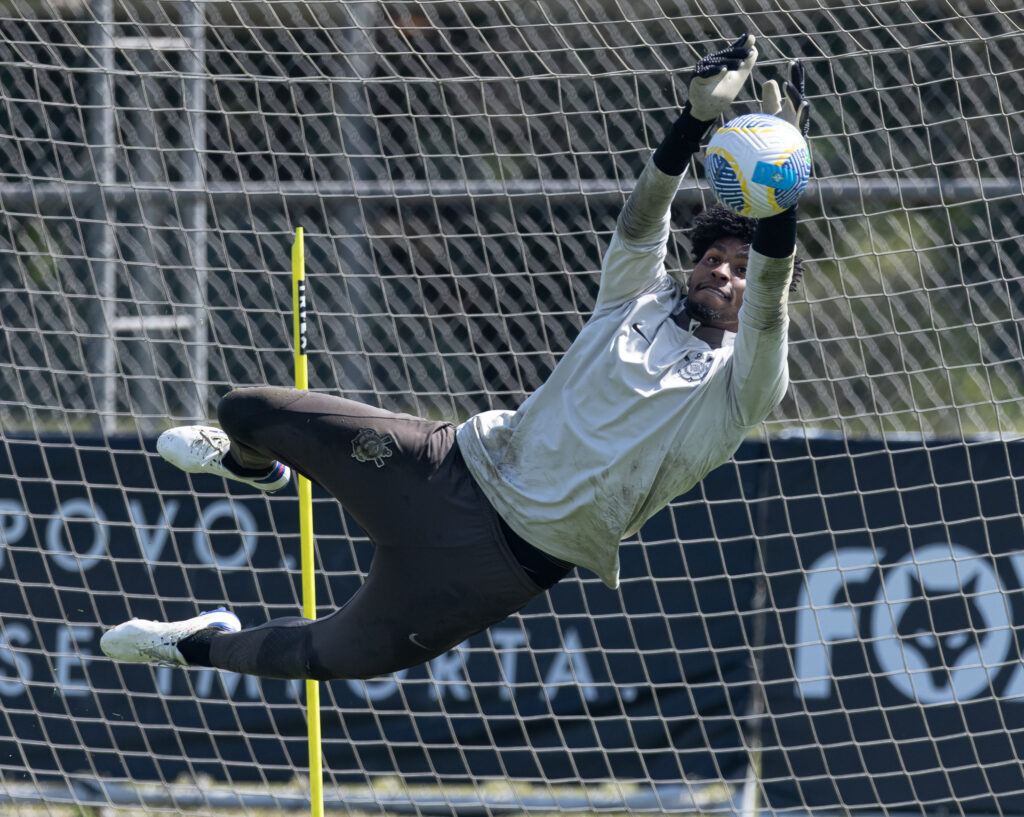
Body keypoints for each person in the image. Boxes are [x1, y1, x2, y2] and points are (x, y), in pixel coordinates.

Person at [101, 34, 809, 681]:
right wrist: (691, 121)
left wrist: (778, 181)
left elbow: (772, 295)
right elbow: (642, 219)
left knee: (336, 656)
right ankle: (255, 465)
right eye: (714, 257)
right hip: (451, 465)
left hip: (498, 565)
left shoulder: (741, 386)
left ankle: (191, 640)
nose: (722, 272)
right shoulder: (637, 298)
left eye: (740, 267)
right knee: (243, 411)